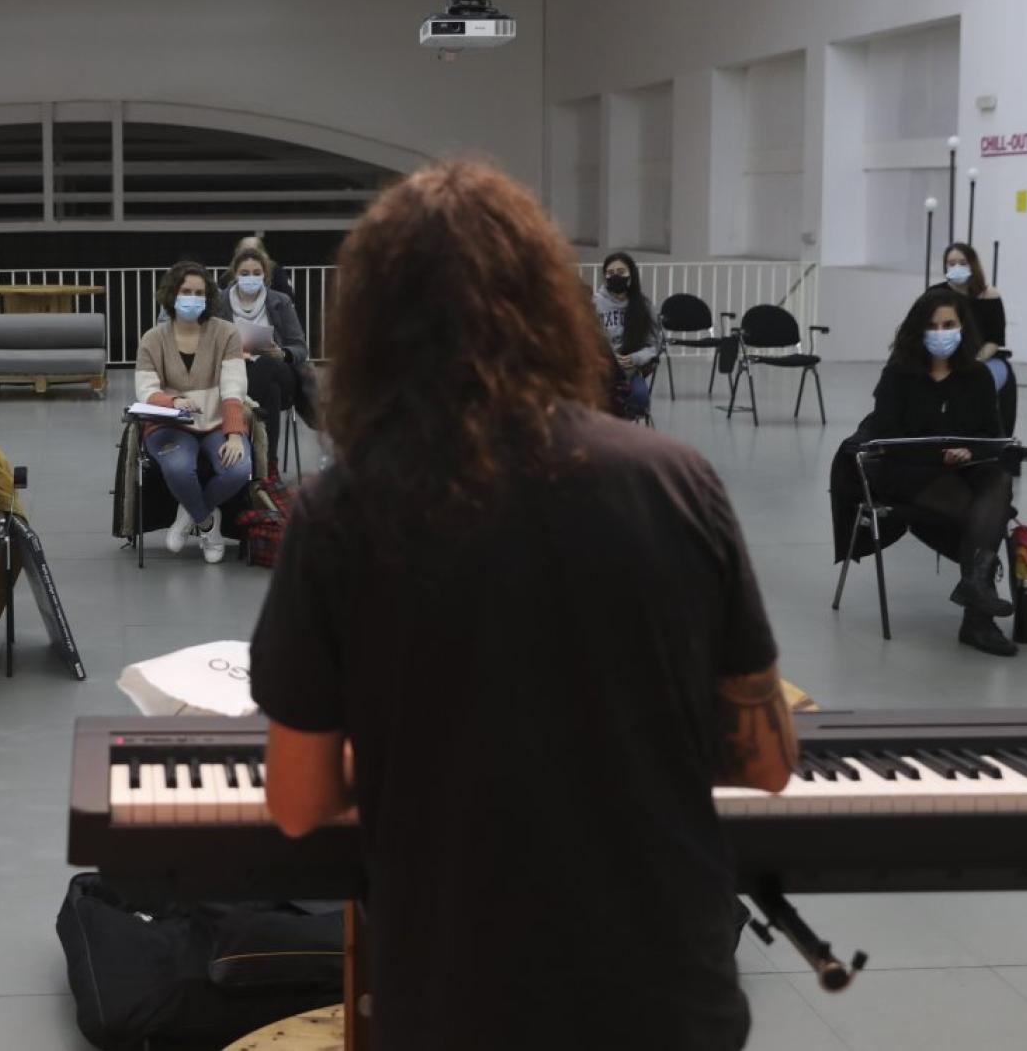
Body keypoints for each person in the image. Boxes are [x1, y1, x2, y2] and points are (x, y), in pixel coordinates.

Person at [249, 161, 794, 1051]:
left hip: (460, 993)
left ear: (375, 327)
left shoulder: (341, 510)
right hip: (669, 994)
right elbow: (766, 763)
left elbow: (302, 800)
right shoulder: (675, 480)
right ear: (550, 305)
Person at [861, 289, 1017, 655]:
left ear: (962, 328)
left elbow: (990, 438)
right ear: (919, 330)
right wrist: (938, 454)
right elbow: (886, 434)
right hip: (907, 470)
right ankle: (979, 616)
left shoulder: (977, 376)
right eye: (933, 326)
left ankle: (975, 590)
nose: (941, 332)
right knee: (985, 517)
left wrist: (968, 451)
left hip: (963, 468)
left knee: (997, 480)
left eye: (949, 325)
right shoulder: (898, 374)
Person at [136, 262, 252, 562]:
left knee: (238, 470)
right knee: (177, 467)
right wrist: (172, 402)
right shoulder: (152, 338)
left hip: (216, 423)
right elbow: (146, 390)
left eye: (199, 293)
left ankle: (188, 513)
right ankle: (207, 525)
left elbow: (233, 386)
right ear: (172, 295)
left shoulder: (226, 333)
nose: (193, 298)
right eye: (186, 291)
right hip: (168, 425)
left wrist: (235, 434)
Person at [221, 247, 309, 454]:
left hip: (279, 370)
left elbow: (300, 348)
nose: (250, 278)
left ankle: (240, 419)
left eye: (256, 273)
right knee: (272, 392)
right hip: (236, 374)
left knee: (269, 364)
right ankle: (267, 467)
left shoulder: (281, 301)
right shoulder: (220, 302)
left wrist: (283, 353)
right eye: (244, 273)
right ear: (234, 275)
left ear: (265, 275)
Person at [935, 242, 1015, 433]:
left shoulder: (990, 295)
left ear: (973, 265)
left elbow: (995, 339)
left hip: (985, 358)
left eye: (962, 263)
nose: (956, 268)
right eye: (951, 263)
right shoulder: (936, 295)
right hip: (944, 358)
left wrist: (975, 361)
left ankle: (989, 439)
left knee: (981, 383)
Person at [593, 251, 662, 420]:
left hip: (630, 370)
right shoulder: (594, 303)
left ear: (631, 276)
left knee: (640, 398)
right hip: (599, 369)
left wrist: (635, 358)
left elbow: (654, 345)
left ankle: (622, 433)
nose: (615, 277)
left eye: (621, 272)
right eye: (610, 273)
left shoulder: (644, 305)